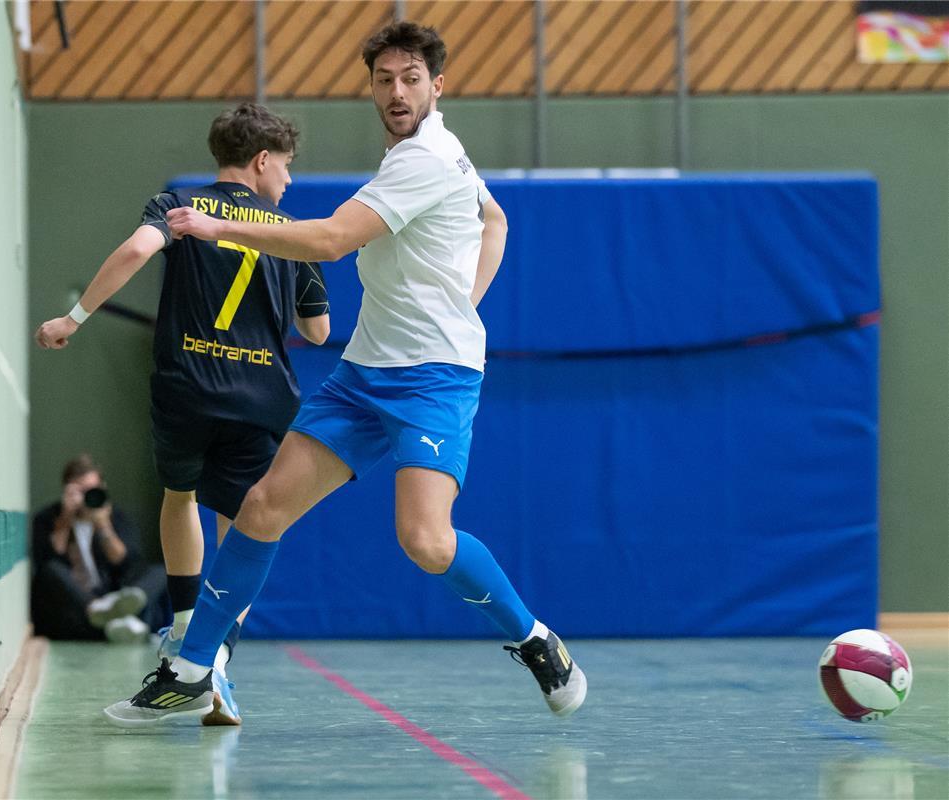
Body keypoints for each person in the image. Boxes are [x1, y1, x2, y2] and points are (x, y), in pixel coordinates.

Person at [103, 20, 586, 728]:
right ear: (371, 87)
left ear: (436, 85)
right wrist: (464, 298)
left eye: (410, 79)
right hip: (364, 373)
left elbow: (328, 241)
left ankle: (533, 639)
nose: (396, 91)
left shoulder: (428, 158)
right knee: (263, 507)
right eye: (384, 79)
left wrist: (219, 227)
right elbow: (495, 220)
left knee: (424, 540)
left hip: (432, 380)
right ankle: (191, 669)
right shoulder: (421, 158)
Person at [35, 104, 330, 726]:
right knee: (246, 523)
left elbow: (137, 250)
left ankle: (188, 631)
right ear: (261, 161)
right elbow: (319, 328)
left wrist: (74, 319)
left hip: (187, 386)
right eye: (287, 167)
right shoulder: (290, 232)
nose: (290, 182)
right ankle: (214, 657)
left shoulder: (178, 205)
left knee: (180, 495)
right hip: (262, 396)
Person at [31, 455, 168, 643]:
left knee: (159, 571)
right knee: (51, 570)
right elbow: (47, 561)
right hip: (77, 607)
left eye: (92, 490)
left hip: (114, 595)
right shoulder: (48, 518)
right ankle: (107, 616)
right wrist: (65, 519)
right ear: (66, 490)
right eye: (80, 491)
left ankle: (116, 617)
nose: (87, 496)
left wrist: (104, 526)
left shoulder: (116, 517)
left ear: (102, 488)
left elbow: (129, 564)